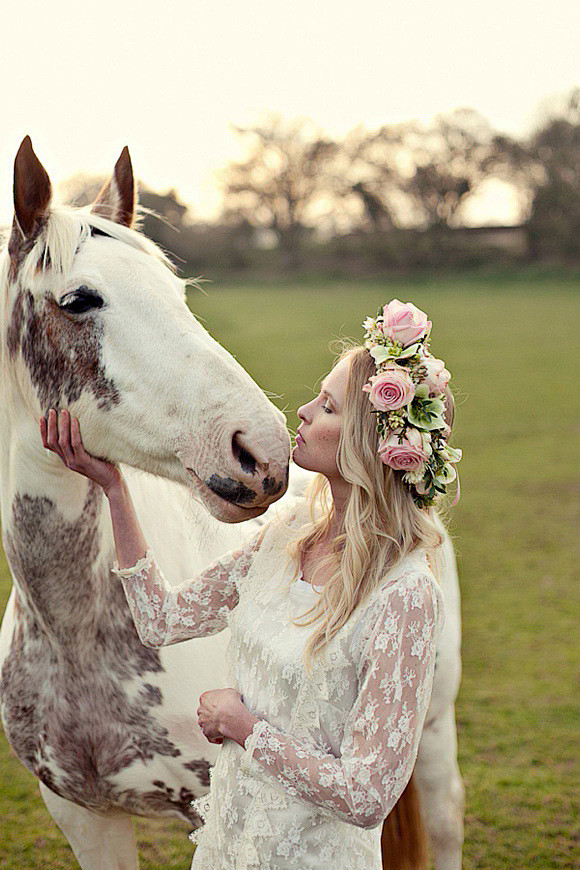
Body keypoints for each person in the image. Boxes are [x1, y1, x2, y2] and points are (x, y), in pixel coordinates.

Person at [41, 299, 461, 870]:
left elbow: (369, 796)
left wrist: (245, 729)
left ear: (365, 441)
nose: (305, 411)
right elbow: (160, 619)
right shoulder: (284, 536)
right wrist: (115, 490)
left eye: (329, 406)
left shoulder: (406, 594)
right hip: (227, 848)